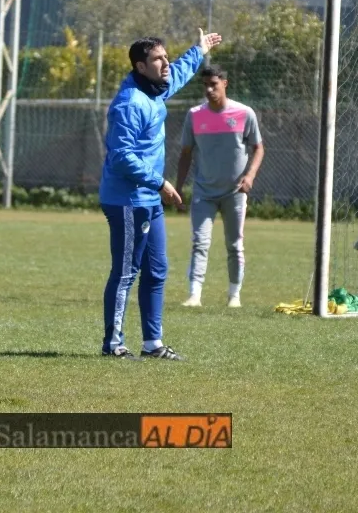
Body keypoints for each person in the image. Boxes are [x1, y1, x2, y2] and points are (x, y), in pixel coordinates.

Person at [99, 28, 222, 361]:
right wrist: (160, 182)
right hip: (127, 199)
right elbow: (121, 156)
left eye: (166, 56)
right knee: (126, 272)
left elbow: (177, 74)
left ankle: (152, 344)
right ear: (141, 67)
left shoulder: (154, 88)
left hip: (148, 197)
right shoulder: (130, 102)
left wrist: (198, 50)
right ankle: (113, 344)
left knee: (157, 269)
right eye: (158, 59)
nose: (166, 63)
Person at [176, 65, 264, 308]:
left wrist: (250, 176)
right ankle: (194, 295)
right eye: (205, 85)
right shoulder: (195, 115)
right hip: (203, 192)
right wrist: (178, 187)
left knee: (234, 245)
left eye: (213, 84)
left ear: (225, 83)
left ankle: (234, 295)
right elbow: (185, 153)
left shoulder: (244, 113)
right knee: (200, 242)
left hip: (234, 192)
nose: (209, 89)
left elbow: (258, 148)